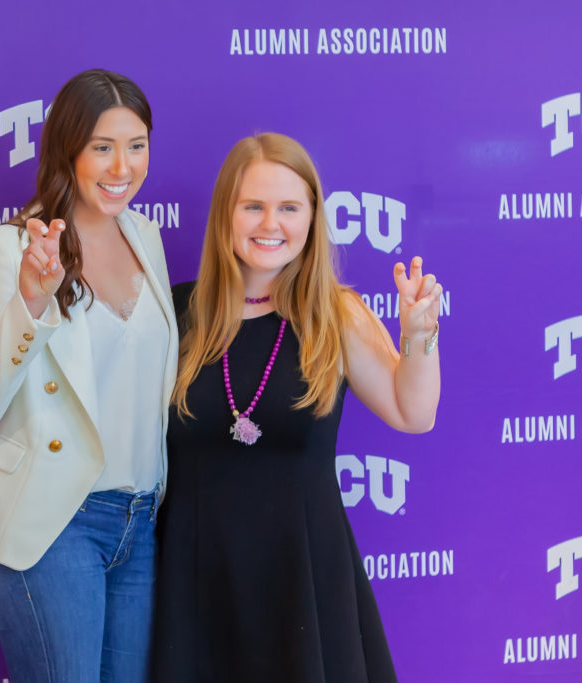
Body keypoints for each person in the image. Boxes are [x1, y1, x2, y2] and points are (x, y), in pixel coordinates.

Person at [153, 132, 442, 682]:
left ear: (312, 218)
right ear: (225, 214)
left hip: (304, 579)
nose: (271, 224)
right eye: (253, 206)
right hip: (195, 583)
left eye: (289, 207)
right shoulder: (176, 312)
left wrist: (419, 335)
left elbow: (414, 413)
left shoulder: (336, 314)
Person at [0, 69, 178, 683]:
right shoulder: (7, 248)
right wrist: (30, 303)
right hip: (53, 523)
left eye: (137, 145)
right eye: (102, 147)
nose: (122, 167)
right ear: (67, 150)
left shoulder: (146, 237)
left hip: (140, 523)